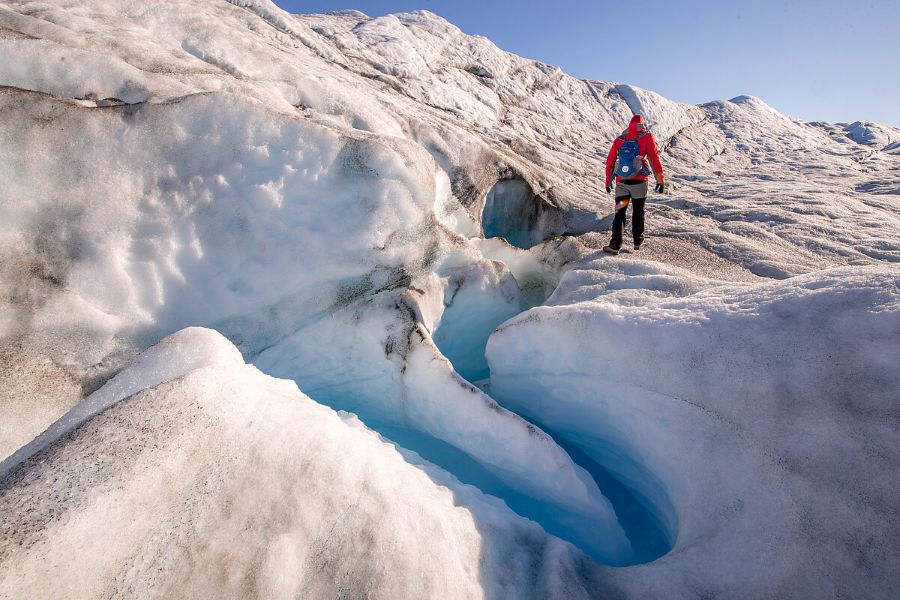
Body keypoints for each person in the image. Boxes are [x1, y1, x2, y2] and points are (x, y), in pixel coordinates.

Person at [602, 114, 665, 254]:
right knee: (638, 211)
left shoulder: (620, 140)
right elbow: (654, 158)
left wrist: (608, 181)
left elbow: (610, 161)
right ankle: (638, 241)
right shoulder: (647, 137)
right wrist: (660, 179)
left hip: (622, 183)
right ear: (642, 124)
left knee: (619, 213)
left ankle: (615, 245)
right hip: (640, 182)